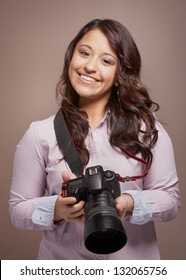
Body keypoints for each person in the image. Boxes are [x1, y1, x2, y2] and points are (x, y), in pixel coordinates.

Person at [9, 18, 180, 260]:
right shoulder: (40, 134)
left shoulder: (147, 129)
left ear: (121, 73)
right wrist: (57, 209)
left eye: (106, 60)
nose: (90, 66)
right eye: (84, 53)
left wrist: (128, 202)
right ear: (71, 57)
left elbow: (171, 200)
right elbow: (17, 210)